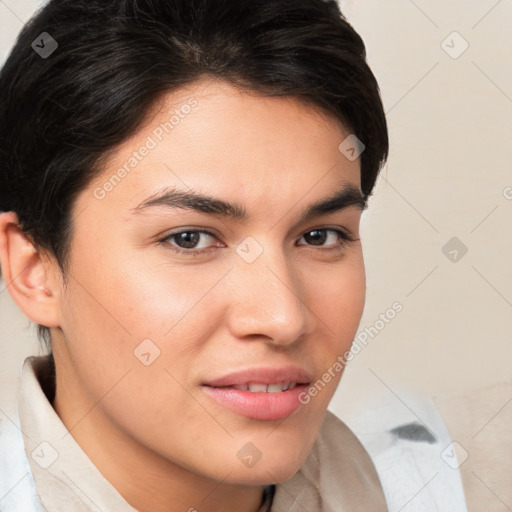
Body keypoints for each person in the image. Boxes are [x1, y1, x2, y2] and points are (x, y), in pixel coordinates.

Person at [0, 0, 468, 510]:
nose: (284, 318)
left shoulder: (444, 487)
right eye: (190, 239)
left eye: (320, 236)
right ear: (34, 271)